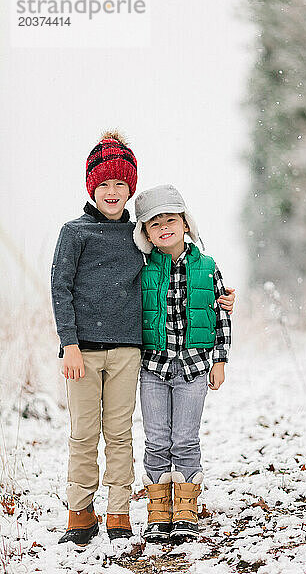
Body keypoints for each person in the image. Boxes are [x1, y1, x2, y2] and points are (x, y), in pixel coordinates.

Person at [51, 133, 235, 546]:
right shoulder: (74, 232)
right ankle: (80, 512)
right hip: (82, 352)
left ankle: (118, 512)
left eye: (120, 185)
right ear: (91, 188)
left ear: (130, 189)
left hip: (129, 351)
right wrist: (69, 343)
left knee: (120, 434)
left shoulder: (141, 238)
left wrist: (221, 299)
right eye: (104, 185)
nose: (113, 192)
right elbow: (60, 288)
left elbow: (181, 274)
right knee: (83, 433)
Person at [133, 184, 232, 542]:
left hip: (193, 367)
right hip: (153, 369)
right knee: (157, 439)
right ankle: (159, 510)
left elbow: (221, 315)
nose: (164, 228)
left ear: (186, 224)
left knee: (186, 439)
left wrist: (219, 360)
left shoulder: (207, 267)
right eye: (154, 224)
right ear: (145, 234)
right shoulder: (143, 270)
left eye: (171, 220)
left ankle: (186, 508)